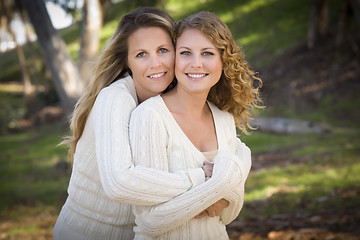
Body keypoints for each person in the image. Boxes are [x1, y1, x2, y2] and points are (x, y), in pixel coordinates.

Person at [53, 7, 211, 240]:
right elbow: (119, 183)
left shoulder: (173, 102)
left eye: (163, 50)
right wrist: (198, 180)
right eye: (141, 55)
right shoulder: (115, 98)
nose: (155, 63)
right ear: (127, 63)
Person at [129, 11, 263, 239]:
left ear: (223, 61)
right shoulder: (150, 116)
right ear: (174, 59)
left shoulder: (224, 119)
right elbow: (150, 221)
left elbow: (229, 213)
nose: (196, 63)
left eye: (207, 53)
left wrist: (214, 194)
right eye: (185, 53)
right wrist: (218, 186)